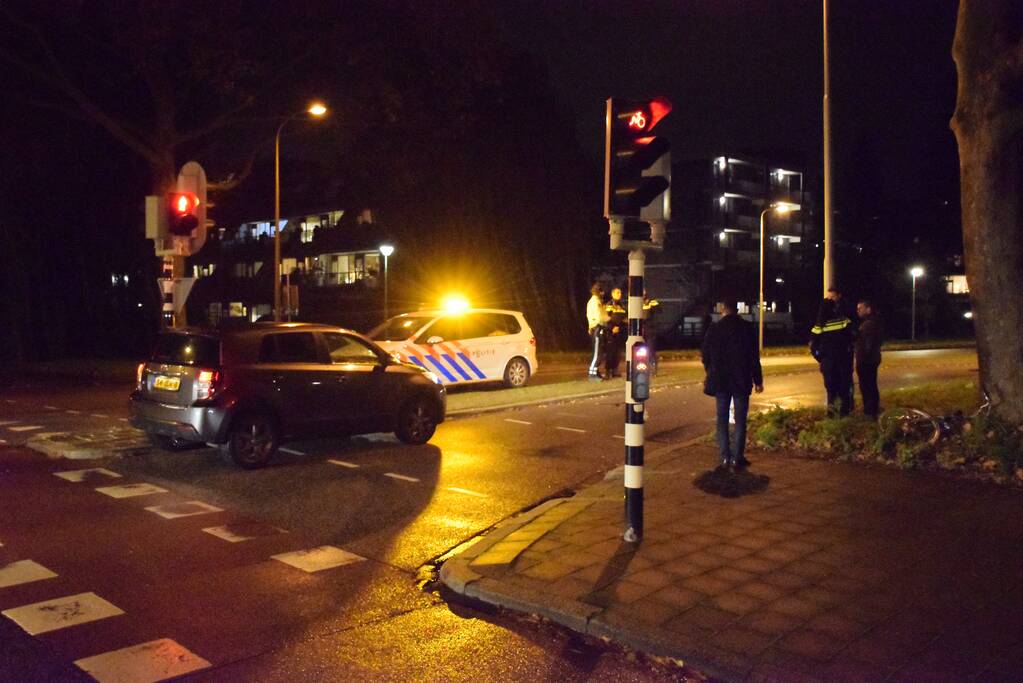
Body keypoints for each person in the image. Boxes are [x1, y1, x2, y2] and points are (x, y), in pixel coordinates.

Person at [702, 299, 764, 470]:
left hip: (721, 381)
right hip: (741, 380)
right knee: (740, 420)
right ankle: (737, 457)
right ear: (737, 310)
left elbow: (705, 354)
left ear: (723, 310)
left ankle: (724, 457)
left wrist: (710, 370)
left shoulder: (714, 329)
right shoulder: (747, 329)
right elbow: (753, 358)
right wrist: (758, 380)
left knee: (721, 419)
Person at [810, 298, 855, 417]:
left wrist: (820, 358)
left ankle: (831, 415)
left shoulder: (819, 326)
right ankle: (844, 415)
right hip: (843, 362)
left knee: (831, 391)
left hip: (828, 364)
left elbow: (812, 346)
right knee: (844, 390)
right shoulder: (843, 321)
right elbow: (852, 338)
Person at [855, 298, 884, 418]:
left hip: (867, 361)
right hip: (872, 359)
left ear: (868, 309)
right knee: (871, 384)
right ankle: (872, 408)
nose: (858, 311)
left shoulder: (868, 325)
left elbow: (868, 344)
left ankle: (870, 410)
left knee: (867, 385)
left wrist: (863, 357)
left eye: (860, 308)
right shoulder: (873, 322)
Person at [586, 283, 609, 379]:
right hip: (597, 327)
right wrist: (609, 320)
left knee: (599, 351)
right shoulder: (595, 302)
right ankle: (592, 373)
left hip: (597, 327)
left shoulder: (596, 301)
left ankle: (595, 371)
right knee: (597, 352)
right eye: (602, 291)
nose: (603, 294)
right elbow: (600, 316)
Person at [604, 286, 627, 378]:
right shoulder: (610, 305)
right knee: (611, 352)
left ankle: (615, 370)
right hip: (611, 331)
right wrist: (612, 328)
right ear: (613, 294)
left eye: (620, 293)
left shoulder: (622, 305)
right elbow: (606, 318)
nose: (619, 294)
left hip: (620, 331)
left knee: (618, 352)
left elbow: (624, 317)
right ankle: (608, 371)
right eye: (617, 293)